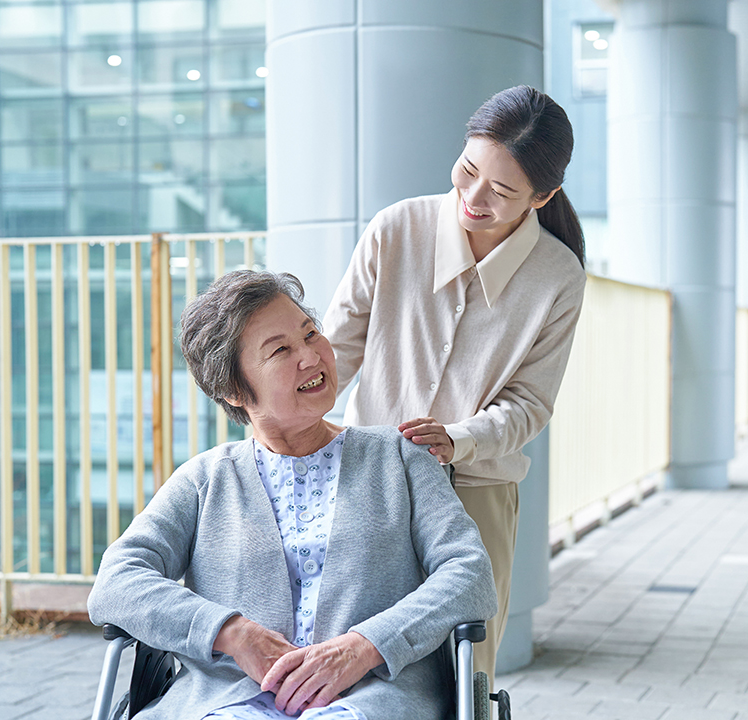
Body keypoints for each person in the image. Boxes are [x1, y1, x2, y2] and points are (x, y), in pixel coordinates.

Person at [87, 270, 497, 720]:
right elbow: (116, 581)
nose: (311, 356)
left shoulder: (400, 458)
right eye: (281, 350)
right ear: (233, 389)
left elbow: (469, 573)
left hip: (372, 697)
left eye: (310, 333)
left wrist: (366, 646)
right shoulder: (205, 480)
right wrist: (231, 633)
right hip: (227, 701)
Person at [323, 85, 587, 680]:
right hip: (369, 478)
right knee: (349, 657)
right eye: (468, 170)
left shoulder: (558, 277)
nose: (473, 197)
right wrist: (284, 416)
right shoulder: (396, 229)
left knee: (466, 672)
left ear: (542, 196)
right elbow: (335, 352)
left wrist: (457, 438)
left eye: (501, 192)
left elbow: (530, 404)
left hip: (476, 493)